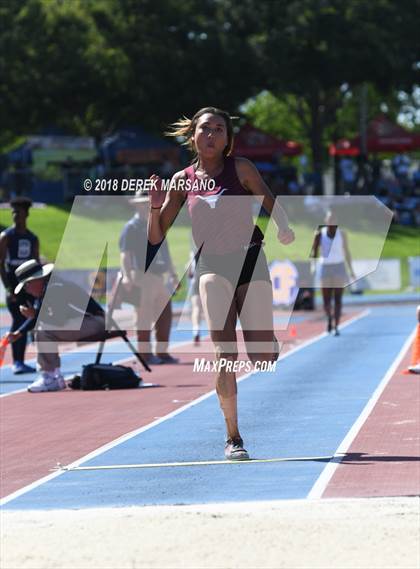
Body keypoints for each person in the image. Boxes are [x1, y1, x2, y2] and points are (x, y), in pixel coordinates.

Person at [147, 106, 295, 460]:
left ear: (228, 139)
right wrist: (154, 208)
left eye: (218, 129)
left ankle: (265, 345)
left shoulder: (241, 168)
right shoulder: (182, 181)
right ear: (192, 135)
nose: (210, 135)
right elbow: (155, 237)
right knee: (224, 355)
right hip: (211, 264)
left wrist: (283, 225)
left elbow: (268, 199)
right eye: (204, 129)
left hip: (250, 258)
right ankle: (233, 437)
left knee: (261, 358)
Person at [5, 259, 106, 392]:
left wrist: (34, 314)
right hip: (89, 321)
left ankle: (51, 376)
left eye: (26, 285)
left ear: (37, 280)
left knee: (43, 330)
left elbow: (59, 319)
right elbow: (42, 315)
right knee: (42, 328)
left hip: (95, 321)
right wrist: (19, 332)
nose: (26, 290)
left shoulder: (56, 288)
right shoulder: (48, 289)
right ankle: (52, 375)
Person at [119, 191, 179, 365]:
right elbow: (125, 254)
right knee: (143, 315)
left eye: (149, 202)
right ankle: (145, 354)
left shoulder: (158, 225)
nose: (147, 205)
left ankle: (162, 352)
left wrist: (173, 275)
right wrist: (127, 275)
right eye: (144, 202)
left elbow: (166, 254)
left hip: (158, 276)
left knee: (165, 314)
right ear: (137, 205)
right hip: (141, 275)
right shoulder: (131, 227)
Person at [0, 196, 39, 374]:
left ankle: (23, 360)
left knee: (29, 319)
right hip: (13, 286)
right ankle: (17, 361)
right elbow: (0, 264)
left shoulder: (32, 238)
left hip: (28, 286)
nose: (15, 215)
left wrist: (38, 287)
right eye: (13, 212)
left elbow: (36, 264)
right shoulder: (6, 237)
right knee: (19, 319)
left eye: (19, 212)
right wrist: (8, 288)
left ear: (26, 214)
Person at [311, 210, 355, 336]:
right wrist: (313, 266)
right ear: (325, 221)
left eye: (334, 220)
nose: (331, 223)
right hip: (325, 267)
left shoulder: (342, 234)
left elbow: (347, 252)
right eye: (329, 220)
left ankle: (336, 325)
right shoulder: (319, 234)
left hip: (339, 267)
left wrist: (351, 270)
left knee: (338, 299)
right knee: (326, 300)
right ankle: (329, 318)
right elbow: (314, 252)